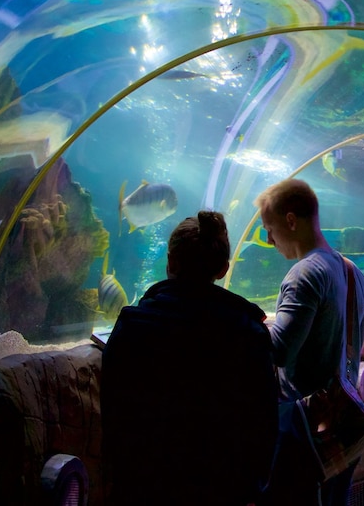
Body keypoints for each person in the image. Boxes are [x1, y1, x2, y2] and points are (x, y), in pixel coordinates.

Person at [101, 210, 278, 506]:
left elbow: (113, 417)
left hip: (143, 489)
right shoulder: (248, 333)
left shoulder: (132, 327)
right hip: (221, 491)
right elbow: (263, 427)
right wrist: (252, 491)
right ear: (223, 269)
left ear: (169, 263)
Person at [254, 178, 364, 506]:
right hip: (343, 425)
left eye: (270, 228)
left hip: (307, 432)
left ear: (291, 221)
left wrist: (244, 325)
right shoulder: (350, 270)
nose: (269, 238)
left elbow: (278, 350)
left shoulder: (305, 274)